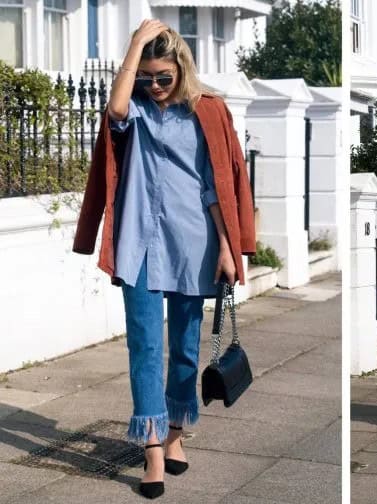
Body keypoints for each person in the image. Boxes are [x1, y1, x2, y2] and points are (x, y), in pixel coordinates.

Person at [72, 20, 255, 499]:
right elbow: (112, 108)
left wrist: (228, 249)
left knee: (185, 350)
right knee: (145, 349)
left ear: (182, 70)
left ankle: (175, 433)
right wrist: (132, 44)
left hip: (194, 245)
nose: (153, 85)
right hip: (138, 244)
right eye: (146, 77)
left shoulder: (208, 112)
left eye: (163, 77)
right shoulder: (132, 108)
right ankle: (152, 449)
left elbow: (218, 186)